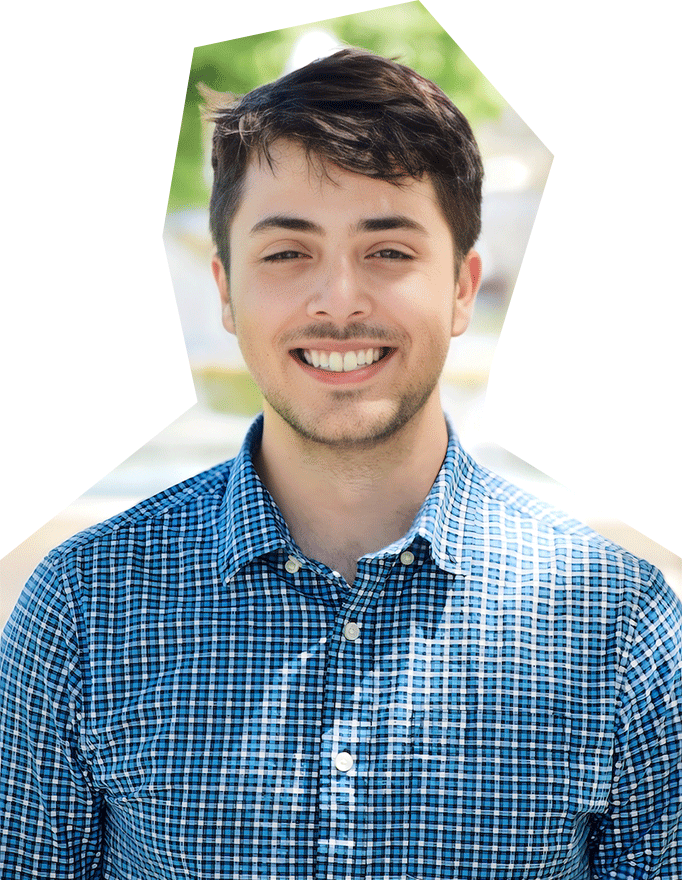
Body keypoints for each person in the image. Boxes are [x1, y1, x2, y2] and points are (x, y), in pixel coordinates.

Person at [0, 48, 679, 880]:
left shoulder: (619, 623)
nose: (339, 300)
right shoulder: (83, 607)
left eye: (388, 251)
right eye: (287, 253)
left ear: (464, 288)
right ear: (225, 290)